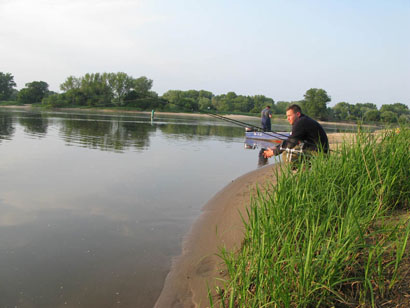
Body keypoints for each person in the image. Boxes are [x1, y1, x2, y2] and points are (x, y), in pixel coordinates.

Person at [263, 104, 329, 162]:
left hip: (320, 155)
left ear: (297, 114)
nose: (287, 118)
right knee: (291, 148)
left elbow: (291, 143)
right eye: (287, 116)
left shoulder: (301, 123)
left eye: (289, 116)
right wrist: (276, 148)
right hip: (317, 152)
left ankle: (303, 171)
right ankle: (305, 169)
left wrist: (273, 152)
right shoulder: (302, 120)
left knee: (287, 154)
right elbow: (290, 139)